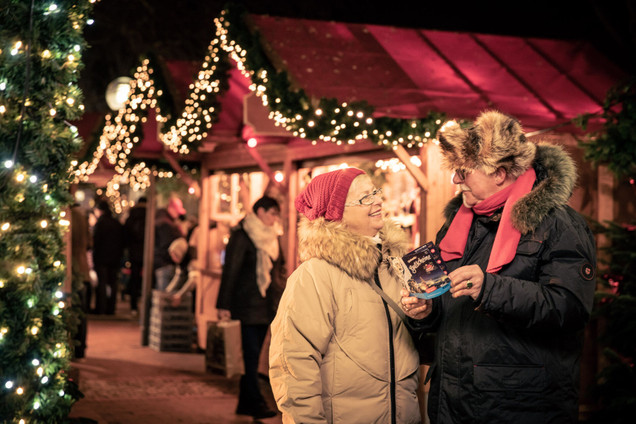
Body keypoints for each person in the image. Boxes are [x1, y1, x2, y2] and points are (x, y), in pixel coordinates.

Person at [401, 110, 597, 423]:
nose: (455, 180)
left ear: (500, 173)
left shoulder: (559, 224)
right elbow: (448, 305)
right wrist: (426, 312)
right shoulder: (456, 225)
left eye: (464, 171)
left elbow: (570, 309)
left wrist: (491, 288)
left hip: (519, 407)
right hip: (452, 402)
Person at [269, 168, 422, 424]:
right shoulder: (314, 276)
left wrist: (425, 316)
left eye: (375, 192)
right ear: (337, 215)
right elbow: (293, 366)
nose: (377, 201)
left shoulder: (396, 267)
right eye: (365, 198)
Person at [216, 195, 286, 419]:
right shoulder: (243, 235)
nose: (275, 218)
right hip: (246, 305)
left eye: (277, 214)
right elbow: (231, 271)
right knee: (251, 355)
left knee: (253, 356)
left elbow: (278, 269)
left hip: (266, 305)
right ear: (260, 212)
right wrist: (223, 304)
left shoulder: (273, 237)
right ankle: (255, 401)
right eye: (273, 213)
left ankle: (245, 402)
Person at [92, 199, 125, 315]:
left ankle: (101, 308)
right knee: (113, 283)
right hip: (115, 258)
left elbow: (96, 241)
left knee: (102, 284)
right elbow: (122, 241)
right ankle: (111, 308)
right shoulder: (116, 223)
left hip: (102, 258)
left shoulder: (100, 223)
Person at [70, 203, 92, 357]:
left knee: (75, 309)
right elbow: (90, 242)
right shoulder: (82, 216)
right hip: (82, 267)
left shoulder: (68, 214)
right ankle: (80, 348)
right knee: (81, 311)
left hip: (71, 268)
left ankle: (75, 348)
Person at [153, 196, 186, 291]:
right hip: (164, 263)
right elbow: (166, 245)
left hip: (160, 262)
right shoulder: (166, 224)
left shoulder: (162, 221)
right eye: (177, 212)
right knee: (164, 294)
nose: (178, 215)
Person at [123, 196, 146, 314]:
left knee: (134, 278)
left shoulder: (132, 215)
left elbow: (126, 233)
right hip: (147, 252)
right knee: (147, 279)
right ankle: (146, 306)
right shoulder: (150, 214)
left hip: (134, 252)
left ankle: (133, 306)